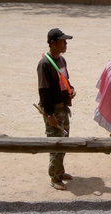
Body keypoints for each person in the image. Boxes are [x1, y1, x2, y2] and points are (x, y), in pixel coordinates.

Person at [37, 28, 76, 190]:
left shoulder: (61, 60)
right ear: (53, 43)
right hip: (53, 110)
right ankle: (54, 178)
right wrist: (50, 114)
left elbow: (64, 80)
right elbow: (43, 91)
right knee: (55, 144)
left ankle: (60, 171)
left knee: (64, 142)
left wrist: (71, 89)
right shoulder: (44, 64)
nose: (65, 43)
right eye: (62, 41)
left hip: (63, 108)